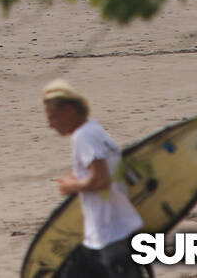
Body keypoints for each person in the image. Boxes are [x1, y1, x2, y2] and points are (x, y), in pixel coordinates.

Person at [42, 79, 144, 278]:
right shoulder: (96, 131)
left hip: (109, 234)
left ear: (69, 109)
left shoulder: (83, 137)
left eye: (53, 117)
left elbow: (101, 180)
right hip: (112, 230)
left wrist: (72, 185)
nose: (50, 125)